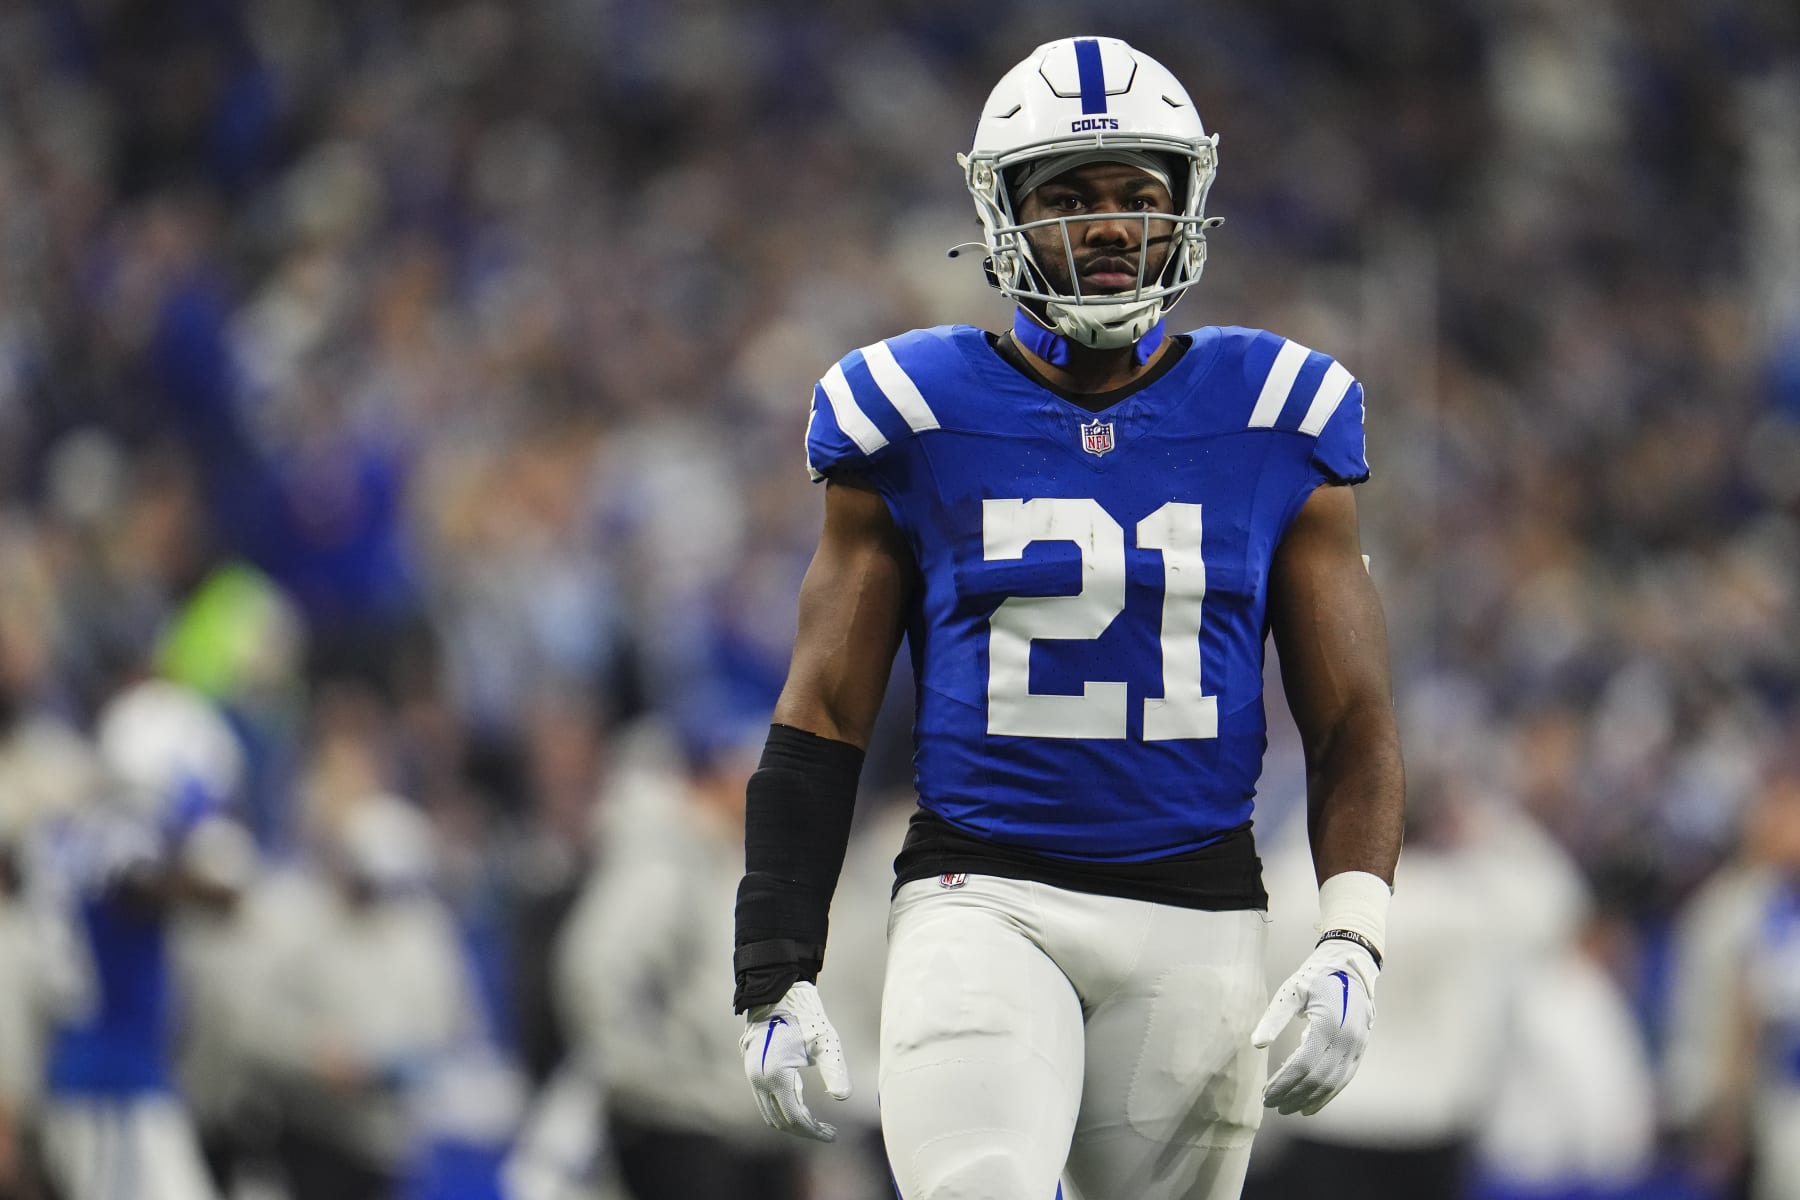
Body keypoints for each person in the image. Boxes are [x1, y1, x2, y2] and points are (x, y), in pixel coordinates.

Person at [731, 35, 1406, 1200]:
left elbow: (1352, 720)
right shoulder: (908, 408)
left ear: (1188, 208)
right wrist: (774, 957)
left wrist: (1352, 936)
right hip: (981, 896)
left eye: (1138, 197)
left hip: (1200, 918)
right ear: (1002, 215)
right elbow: (826, 708)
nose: (1107, 227)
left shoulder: (1279, 412)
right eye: (1070, 197)